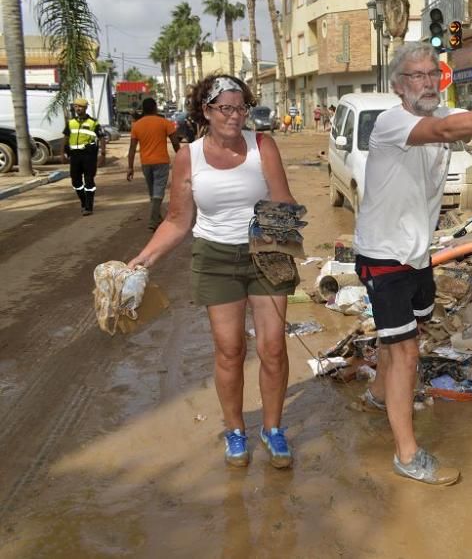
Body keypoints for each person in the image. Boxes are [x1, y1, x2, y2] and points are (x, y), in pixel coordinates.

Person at [353, 43, 472, 485]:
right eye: (415, 75)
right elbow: (446, 130)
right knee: (406, 351)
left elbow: (453, 128)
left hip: (418, 255)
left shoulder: (437, 116)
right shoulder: (393, 121)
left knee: (399, 341)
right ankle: (407, 455)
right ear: (397, 86)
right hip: (383, 255)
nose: (427, 82)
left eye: (433, 73)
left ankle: (379, 395)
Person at [127, 74, 299, 470]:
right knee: (229, 349)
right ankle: (235, 429)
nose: (236, 116)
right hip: (215, 258)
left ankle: (272, 428)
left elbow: (284, 200)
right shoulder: (190, 156)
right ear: (206, 110)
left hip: (266, 252)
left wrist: (276, 228)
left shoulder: (263, 146)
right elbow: (176, 219)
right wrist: (145, 258)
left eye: (241, 107)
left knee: (273, 347)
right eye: (226, 108)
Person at [127, 97, 181, 229]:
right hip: (161, 162)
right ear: (155, 108)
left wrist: (130, 167)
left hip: (146, 163)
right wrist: (180, 157)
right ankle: (152, 221)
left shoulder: (137, 125)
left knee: (153, 193)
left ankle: (158, 218)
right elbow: (175, 142)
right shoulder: (164, 122)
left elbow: (132, 148)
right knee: (158, 193)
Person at [61, 97, 107, 216]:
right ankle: (83, 201)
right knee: (75, 181)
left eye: (80, 106)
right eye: (76, 106)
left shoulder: (93, 122)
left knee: (89, 180)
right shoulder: (71, 123)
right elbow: (65, 138)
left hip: (88, 155)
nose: (78, 109)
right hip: (75, 156)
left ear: (85, 108)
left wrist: (102, 154)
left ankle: (89, 206)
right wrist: (62, 153)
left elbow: (101, 138)